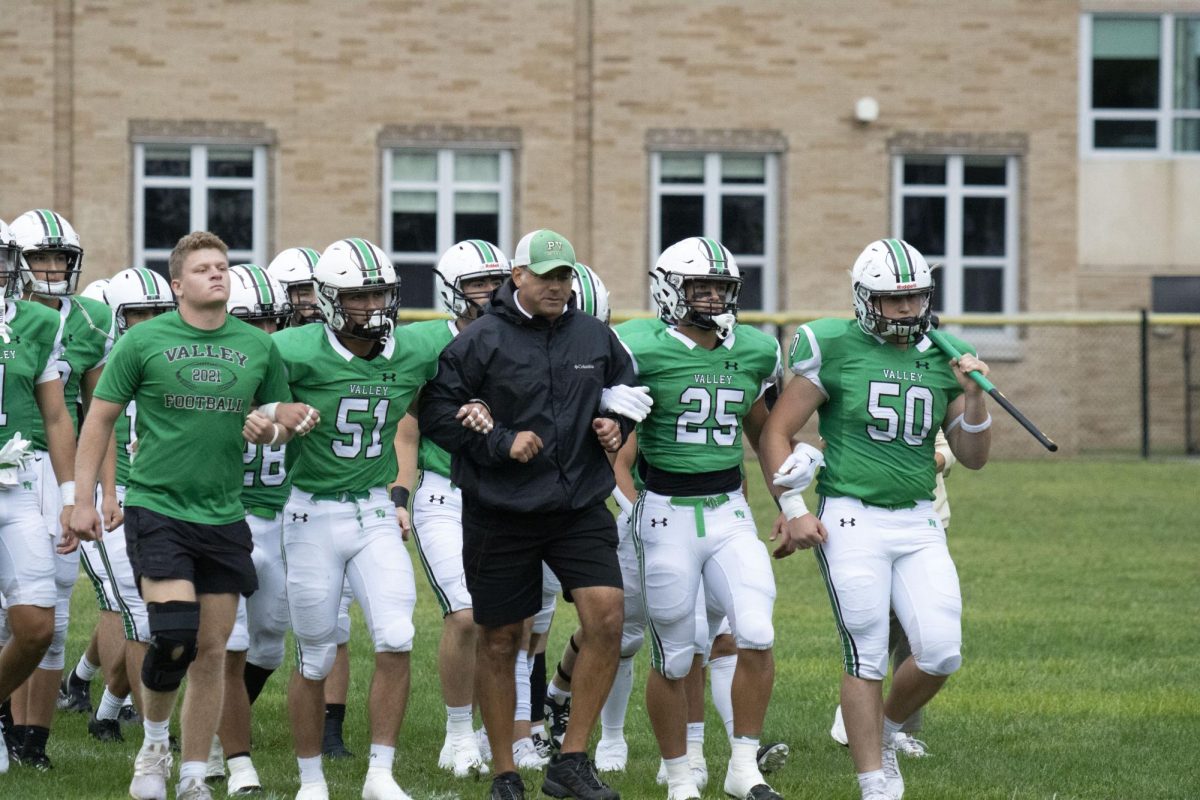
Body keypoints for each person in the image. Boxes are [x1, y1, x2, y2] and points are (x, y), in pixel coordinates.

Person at [67, 231, 312, 800]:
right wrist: (81, 500)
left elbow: (277, 420)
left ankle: (195, 774)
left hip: (225, 513)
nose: (217, 274)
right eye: (203, 268)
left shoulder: (257, 346)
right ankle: (154, 748)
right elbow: (98, 418)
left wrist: (271, 428)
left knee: (213, 649)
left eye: (222, 266)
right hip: (157, 506)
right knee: (174, 634)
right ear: (178, 284)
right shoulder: (144, 340)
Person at [758, 238, 992, 800]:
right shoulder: (832, 344)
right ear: (866, 299)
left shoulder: (945, 351)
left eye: (915, 298)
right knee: (863, 651)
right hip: (852, 518)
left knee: (940, 652)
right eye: (894, 300)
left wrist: (975, 398)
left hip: (918, 520)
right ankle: (873, 783)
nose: (908, 310)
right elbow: (776, 431)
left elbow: (975, 457)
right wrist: (793, 508)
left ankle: (883, 730)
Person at [419, 229, 645, 800]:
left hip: (577, 505)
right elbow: (439, 416)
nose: (556, 286)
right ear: (516, 276)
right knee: (500, 641)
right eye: (545, 276)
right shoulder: (478, 342)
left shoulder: (595, 335)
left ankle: (571, 761)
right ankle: (505, 772)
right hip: (501, 510)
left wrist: (616, 424)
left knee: (608, 619)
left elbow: (628, 390)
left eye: (565, 276)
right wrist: (499, 441)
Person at [263, 237, 437, 800]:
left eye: (381, 295)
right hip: (309, 512)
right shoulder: (291, 349)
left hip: (374, 509)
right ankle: (311, 779)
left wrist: (473, 404)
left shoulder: (413, 348)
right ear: (331, 300)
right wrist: (276, 419)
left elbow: (472, 356)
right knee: (314, 656)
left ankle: (380, 774)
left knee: (397, 636)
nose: (373, 308)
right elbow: (251, 408)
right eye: (360, 297)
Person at [613, 237, 782, 800]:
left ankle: (742, 766)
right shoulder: (637, 346)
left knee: (755, 631)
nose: (712, 298)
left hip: (729, 509)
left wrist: (790, 500)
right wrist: (626, 505)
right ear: (669, 290)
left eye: (722, 288)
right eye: (700, 287)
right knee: (675, 652)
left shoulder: (755, 349)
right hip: (665, 511)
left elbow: (762, 428)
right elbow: (611, 439)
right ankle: (680, 774)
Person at [6, 208, 117, 769]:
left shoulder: (92, 319)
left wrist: (96, 488)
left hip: (55, 469)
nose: (52, 268)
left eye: (60, 258)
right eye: (40, 257)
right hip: (21, 460)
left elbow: (100, 413)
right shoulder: (20, 318)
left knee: (52, 610)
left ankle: (32, 738)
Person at [393, 239, 508, 777]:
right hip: (444, 490)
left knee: (506, 622)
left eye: (498, 280)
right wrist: (400, 493)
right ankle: (457, 735)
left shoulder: (520, 335)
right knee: (464, 616)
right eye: (478, 283)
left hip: (506, 493)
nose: (491, 293)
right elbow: (408, 423)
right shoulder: (423, 343)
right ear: (451, 291)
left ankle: (497, 731)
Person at [74, 268, 178, 745]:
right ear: (117, 317)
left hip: (162, 496)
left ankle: (107, 709)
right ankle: (153, 730)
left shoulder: (173, 356)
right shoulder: (104, 362)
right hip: (110, 497)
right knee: (134, 610)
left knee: (159, 615)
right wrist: (99, 496)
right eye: (139, 312)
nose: (151, 320)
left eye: (158, 310)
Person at [265, 245, 357, 760]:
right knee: (250, 628)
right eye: (295, 291)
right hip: (255, 495)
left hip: (314, 496)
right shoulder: (271, 347)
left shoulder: (341, 345)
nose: (305, 302)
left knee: (333, 613)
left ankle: (330, 726)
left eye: (310, 290)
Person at [207, 263, 295, 793]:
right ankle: (228, 749)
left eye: (271, 321)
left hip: (280, 519)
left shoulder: (290, 365)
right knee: (230, 643)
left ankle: (219, 717)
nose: (263, 335)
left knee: (268, 646)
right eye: (251, 322)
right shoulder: (208, 372)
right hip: (227, 515)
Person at [0, 217, 79, 775]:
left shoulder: (34, 320)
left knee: (37, 625)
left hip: (18, 485)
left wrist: (71, 494)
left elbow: (56, 414)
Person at [830, 429, 956, 758]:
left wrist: (921, 463)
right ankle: (854, 714)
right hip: (868, 520)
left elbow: (951, 450)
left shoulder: (931, 385)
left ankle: (898, 729)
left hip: (927, 519)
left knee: (920, 636)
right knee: (876, 625)